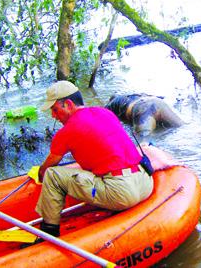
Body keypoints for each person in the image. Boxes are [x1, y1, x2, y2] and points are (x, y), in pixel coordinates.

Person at [32, 81, 154, 241]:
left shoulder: (66, 131)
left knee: (52, 175)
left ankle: (49, 232)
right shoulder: (105, 113)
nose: (53, 116)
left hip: (121, 193)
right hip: (146, 183)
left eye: (55, 110)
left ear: (68, 104)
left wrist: (40, 174)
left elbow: (44, 172)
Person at [105, 93, 184, 139]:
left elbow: (102, 116)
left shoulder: (112, 103)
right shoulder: (134, 95)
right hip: (159, 103)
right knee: (182, 126)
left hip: (142, 108)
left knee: (144, 141)